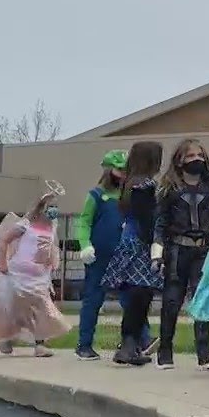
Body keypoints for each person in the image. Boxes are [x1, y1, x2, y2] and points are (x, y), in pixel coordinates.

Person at [152, 138, 209, 370]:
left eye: (200, 156)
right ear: (180, 160)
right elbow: (160, 224)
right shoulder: (170, 189)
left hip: (203, 249)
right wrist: (157, 253)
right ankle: (165, 351)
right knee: (172, 301)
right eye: (191, 156)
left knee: (202, 300)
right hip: (176, 250)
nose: (197, 160)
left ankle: (205, 354)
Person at [0, 189, 72, 356]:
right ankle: (7, 338)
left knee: (42, 308)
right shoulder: (26, 224)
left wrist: (52, 260)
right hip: (19, 275)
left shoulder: (52, 227)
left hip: (39, 277)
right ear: (42, 208)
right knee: (18, 310)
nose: (54, 210)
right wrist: (2, 262)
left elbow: (50, 247)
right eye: (50, 206)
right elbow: (5, 240)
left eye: (56, 207)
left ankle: (39, 345)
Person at [74, 149, 143, 361]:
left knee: (132, 299)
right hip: (99, 257)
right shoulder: (96, 195)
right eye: (119, 170)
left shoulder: (129, 196)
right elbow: (84, 222)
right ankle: (84, 344)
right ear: (109, 170)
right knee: (93, 300)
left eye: (125, 170)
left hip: (125, 255)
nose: (123, 174)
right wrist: (84, 245)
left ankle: (138, 341)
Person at [102, 141, 165, 366]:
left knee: (135, 298)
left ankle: (131, 346)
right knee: (141, 296)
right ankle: (128, 346)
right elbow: (147, 220)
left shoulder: (129, 185)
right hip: (141, 245)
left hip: (128, 241)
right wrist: (156, 246)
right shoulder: (145, 186)